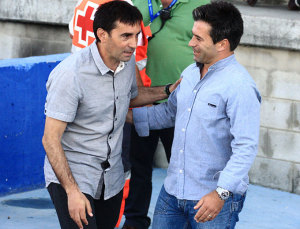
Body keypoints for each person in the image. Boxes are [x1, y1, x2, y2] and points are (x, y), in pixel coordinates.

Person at [42, 1, 179, 229]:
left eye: (136, 36)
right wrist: (72, 192)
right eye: (125, 36)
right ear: (102, 35)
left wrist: (167, 90)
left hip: (111, 179)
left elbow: (130, 97)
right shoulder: (71, 74)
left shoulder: (126, 60)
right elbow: (50, 139)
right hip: (75, 177)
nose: (133, 44)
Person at [127, 1, 261, 229]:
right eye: (192, 36)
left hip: (213, 200)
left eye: (198, 38)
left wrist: (220, 194)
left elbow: (245, 147)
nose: (191, 43)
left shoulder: (240, 87)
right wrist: (121, 116)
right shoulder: (190, 73)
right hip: (172, 193)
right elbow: (169, 114)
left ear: (222, 44)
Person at [122, 1, 209, 228]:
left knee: (183, 168)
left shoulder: (201, 5)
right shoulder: (136, 3)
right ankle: (134, 221)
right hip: (140, 102)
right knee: (138, 168)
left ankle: (188, 221)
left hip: (181, 106)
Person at [68, 0, 151, 227]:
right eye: (127, 36)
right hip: (111, 97)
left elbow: (72, 36)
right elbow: (138, 59)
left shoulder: (82, 3)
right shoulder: (126, 7)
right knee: (121, 169)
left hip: (89, 99)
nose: (131, 42)